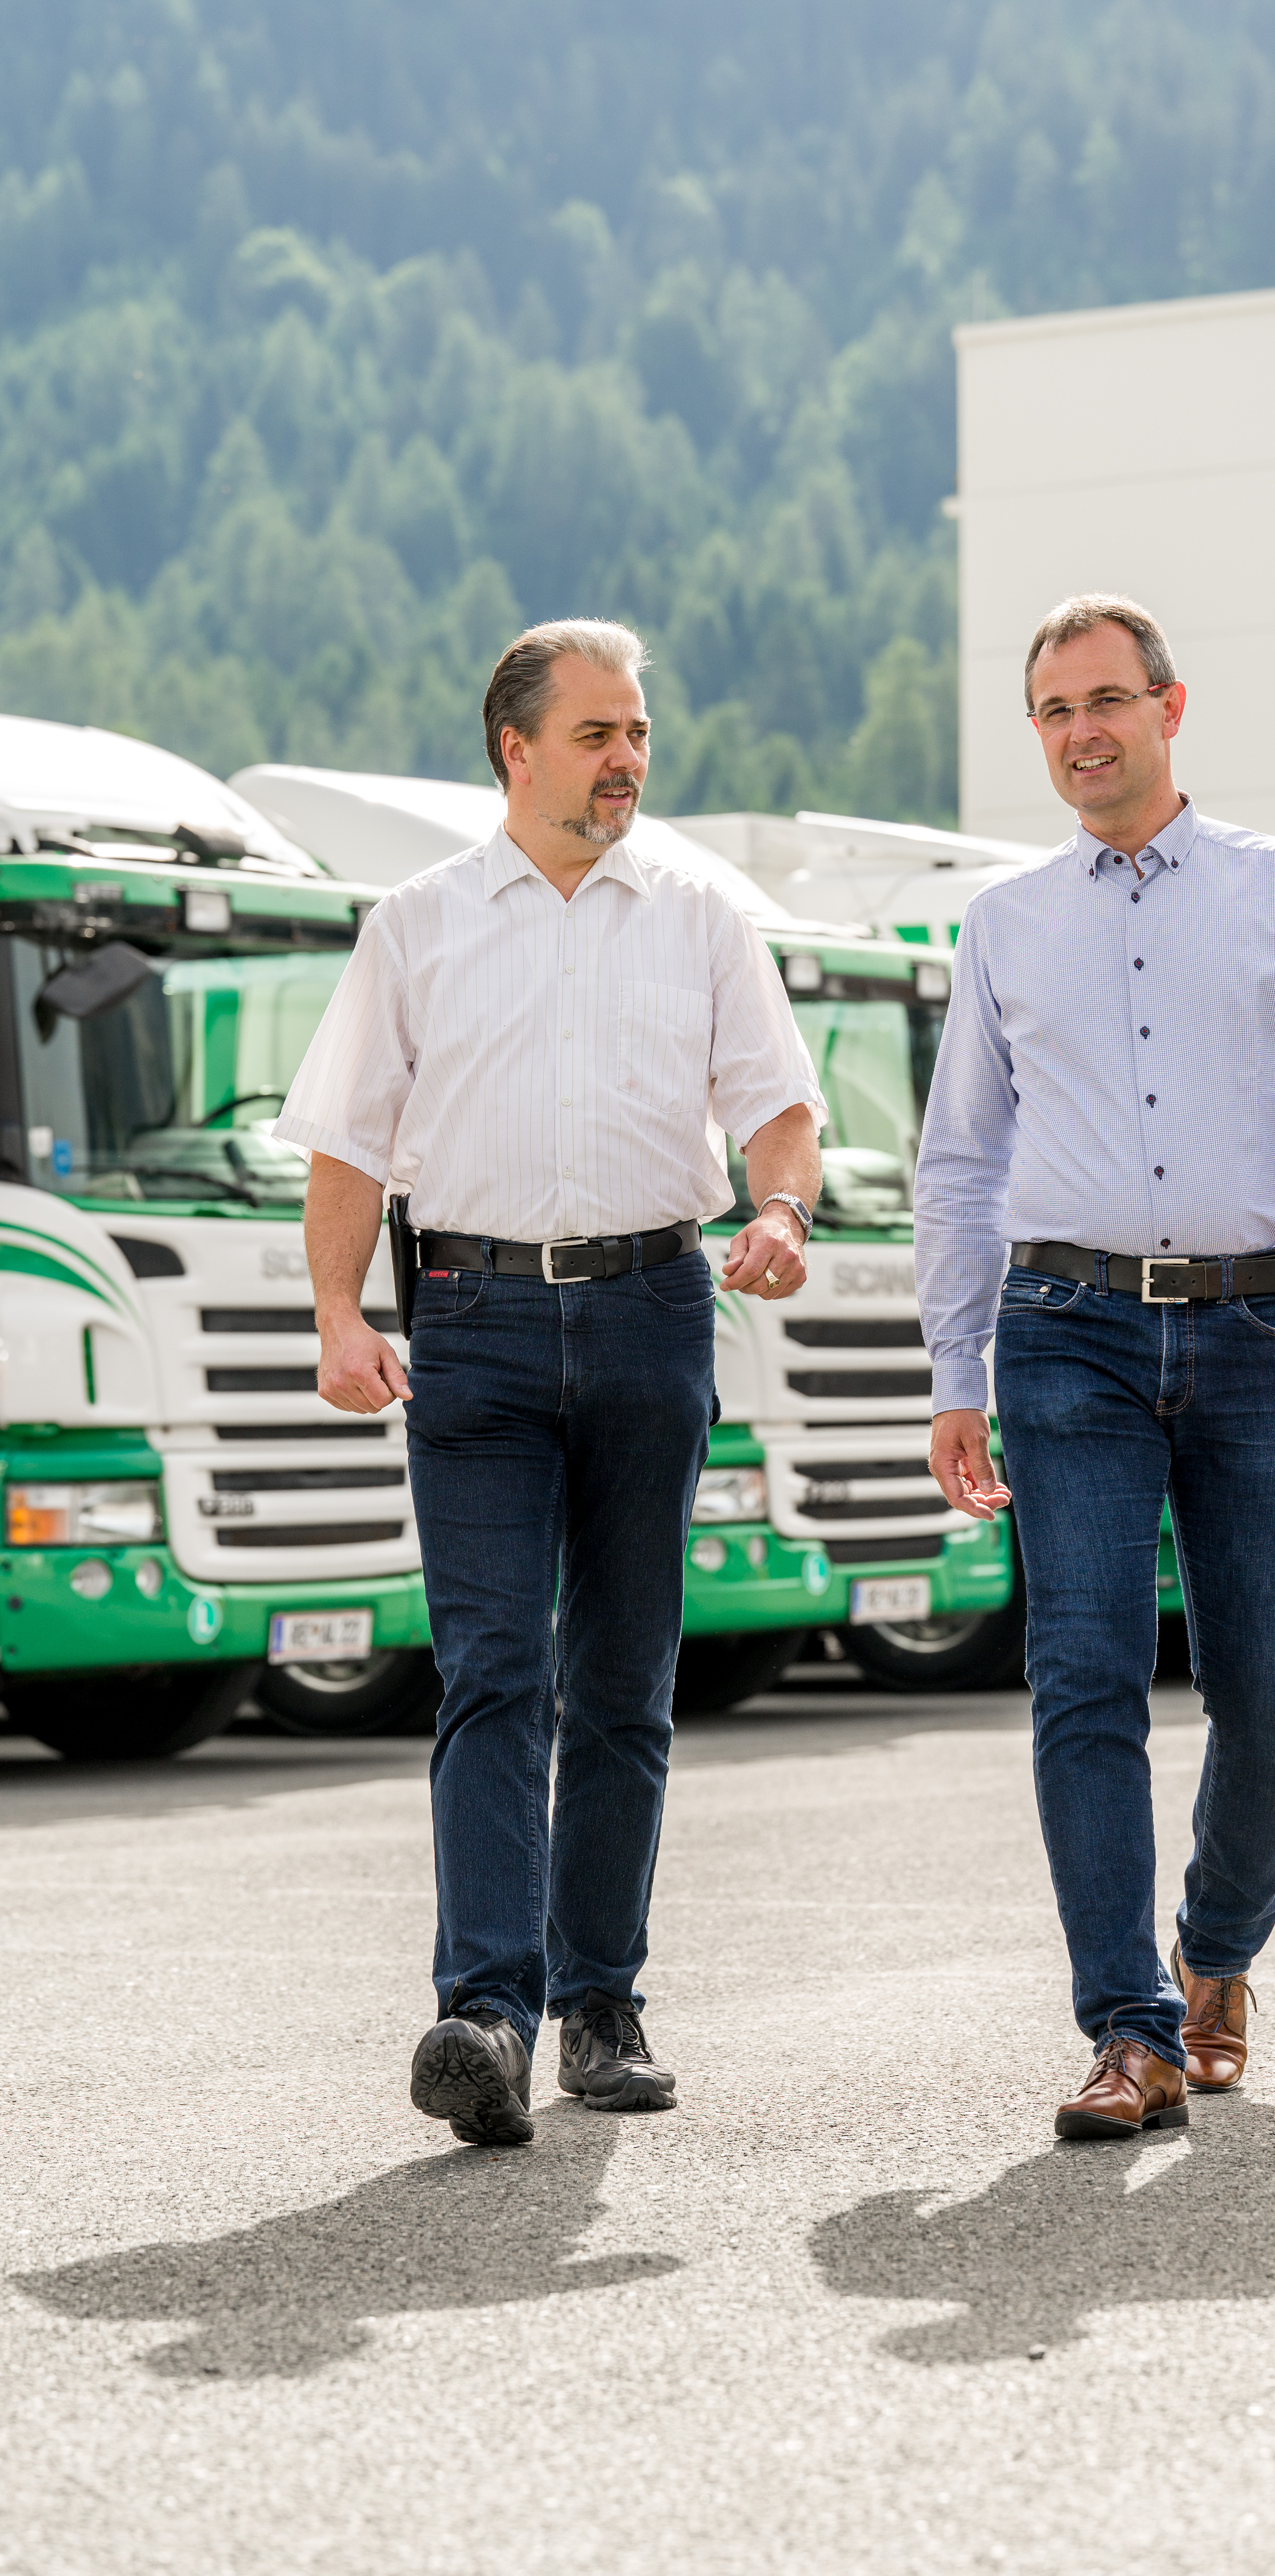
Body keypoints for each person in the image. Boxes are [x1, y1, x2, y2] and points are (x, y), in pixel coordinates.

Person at [277, 617, 824, 2145]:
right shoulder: (420, 924)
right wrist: (336, 1311)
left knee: (627, 1681)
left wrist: (779, 1213)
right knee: (496, 1670)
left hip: (655, 1306)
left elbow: (780, 1109)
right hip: (476, 1319)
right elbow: (347, 1140)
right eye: (598, 734)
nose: (629, 759)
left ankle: (601, 2005)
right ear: (515, 747)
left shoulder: (705, 915)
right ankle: (486, 2016)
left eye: (639, 731)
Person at [914, 594, 1275, 2141]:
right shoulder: (1006, 921)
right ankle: (1127, 2029)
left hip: (1267, 1329)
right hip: (1064, 1331)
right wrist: (955, 1367)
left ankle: (1217, 1952)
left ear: (1170, 707)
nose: (1081, 733)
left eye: (1106, 702)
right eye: (1054, 711)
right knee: (1082, 1679)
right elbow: (960, 1164)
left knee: (1269, 1696)